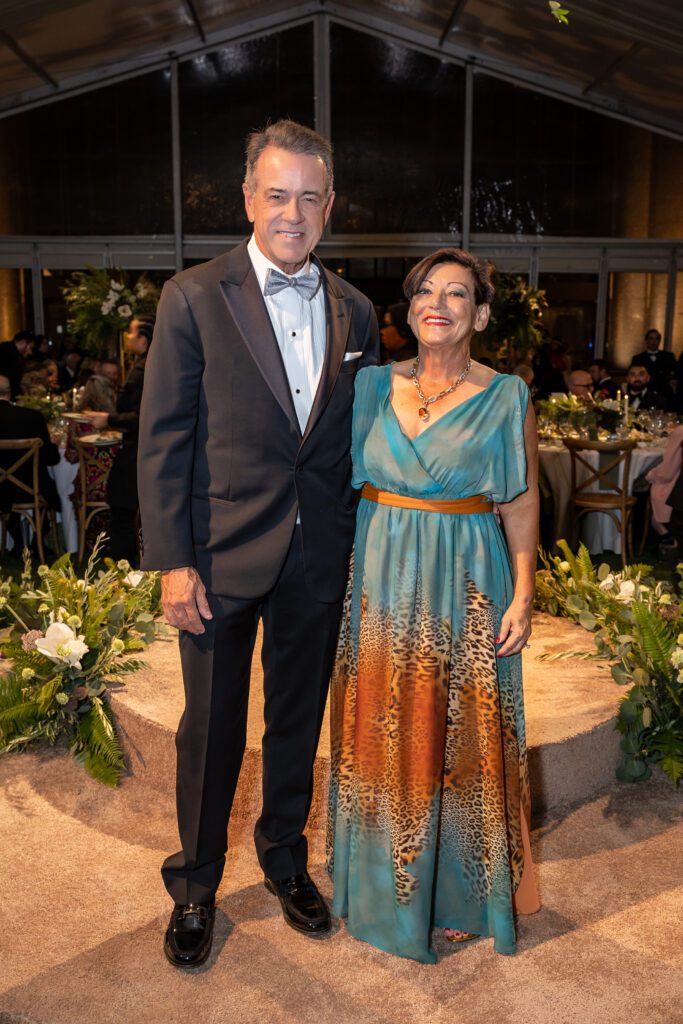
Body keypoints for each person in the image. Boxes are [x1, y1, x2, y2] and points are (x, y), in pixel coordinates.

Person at [137, 119, 380, 969]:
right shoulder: (193, 296)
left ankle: (283, 859)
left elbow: (357, 442)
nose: (293, 212)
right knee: (209, 727)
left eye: (309, 197)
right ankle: (196, 885)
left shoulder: (356, 309)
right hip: (214, 557)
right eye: (277, 195)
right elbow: (164, 437)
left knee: (294, 723)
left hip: (315, 559)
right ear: (248, 199)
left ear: (329, 206)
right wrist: (172, 560)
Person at [327, 247, 540, 964]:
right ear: (408, 307)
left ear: (478, 313)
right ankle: (378, 889)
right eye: (425, 291)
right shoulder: (368, 387)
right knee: (384, 730)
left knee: (460, 736)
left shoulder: (506, 394)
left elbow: (518, 499)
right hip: (382, 577)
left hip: (467, 580)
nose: (436, 303)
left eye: (455, 294)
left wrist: (523, 592)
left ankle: (454, 892)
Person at [84, 317, 154, 563]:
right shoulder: (155, 364)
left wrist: (108, 418)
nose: (127, 336)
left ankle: (123, 566)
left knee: (121, 505)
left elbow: (142, 415)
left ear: (143, 340)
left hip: (138, 447)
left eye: (131, 332)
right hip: (147, 447)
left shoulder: (142, 370)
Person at [0, 373, 60, 551]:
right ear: (10, 393)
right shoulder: (32, 417)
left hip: (1, 490)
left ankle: (18, 542)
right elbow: (51, 458)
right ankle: (37, 540)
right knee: (45, 485)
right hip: (31, 488)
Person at [631, 328, 675, 394]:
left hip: (665, 393)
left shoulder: (668, 356)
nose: (654, 342)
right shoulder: (638, 358)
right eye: (651, 339)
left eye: (656, 339)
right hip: (644, 393)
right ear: (646, 341)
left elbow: (675, 373)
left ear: (659, 341)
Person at [0, 331, 34, 398]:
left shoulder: (8, 348)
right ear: (23, 342)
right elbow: (13, 381)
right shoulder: (9, 352)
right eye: (30, 348)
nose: (30, 352)